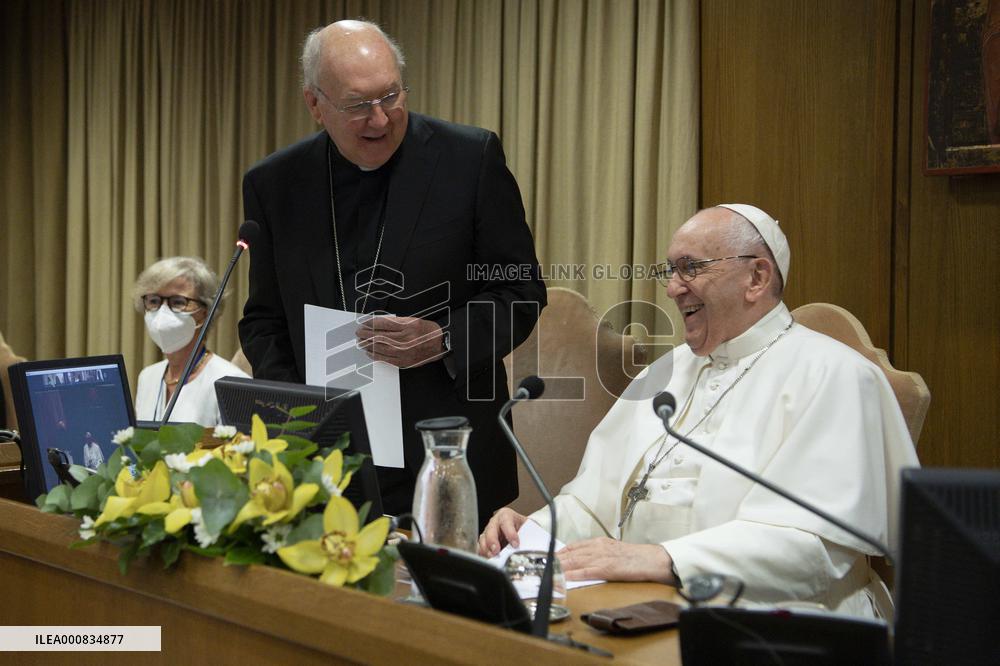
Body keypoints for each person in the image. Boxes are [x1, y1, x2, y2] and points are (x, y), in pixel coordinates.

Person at [480, 204, 919, 617]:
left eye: (690, 267)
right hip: (640, 605)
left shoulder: (836, 375)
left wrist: (667, 559)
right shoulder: (663, 373)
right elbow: (595, 504)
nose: (672, 287)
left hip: (786, 619)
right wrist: (535, 534)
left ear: (757, 277)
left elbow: (819, 548)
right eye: (669, 271)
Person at [239, 20, 546, 522]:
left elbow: (521, 289)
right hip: (330, 462)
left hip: (449, 451)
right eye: (358, 105)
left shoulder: (468, 159)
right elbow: (264, 321)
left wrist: (444, 337)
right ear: (315, 104)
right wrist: (306, 414)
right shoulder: (275, 184)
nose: (380, 119)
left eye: (391, 96)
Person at [134, 257, 250, 426]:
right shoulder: (147, 377)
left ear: (205, 312)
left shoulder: (231, 382)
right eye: (153, 301)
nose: (162, 311)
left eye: (178, 302)